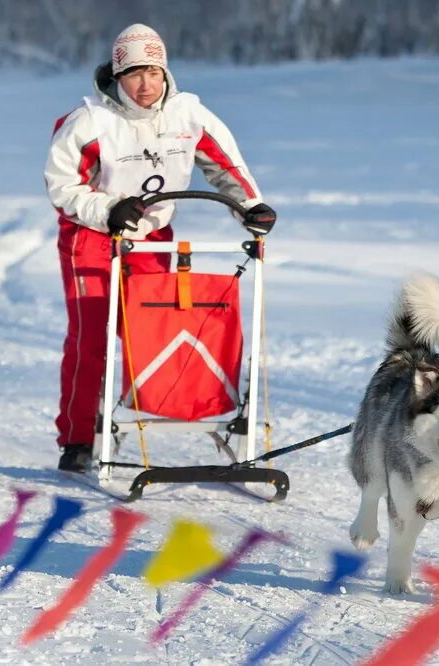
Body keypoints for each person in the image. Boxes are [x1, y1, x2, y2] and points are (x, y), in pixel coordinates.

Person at [44, 23, 276, 472]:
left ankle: (172, 411)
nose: (145, 84)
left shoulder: (189, 115)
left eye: (153, 72)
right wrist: (106, 208)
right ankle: (76, 438)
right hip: (91, 235)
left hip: (152, 235)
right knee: (92, 336)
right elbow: (61, 186)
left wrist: (251, 207)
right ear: (118, 77)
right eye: (134, 74)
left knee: (155, 329)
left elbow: (228, 168)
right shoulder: (90, 122)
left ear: (165, 72)